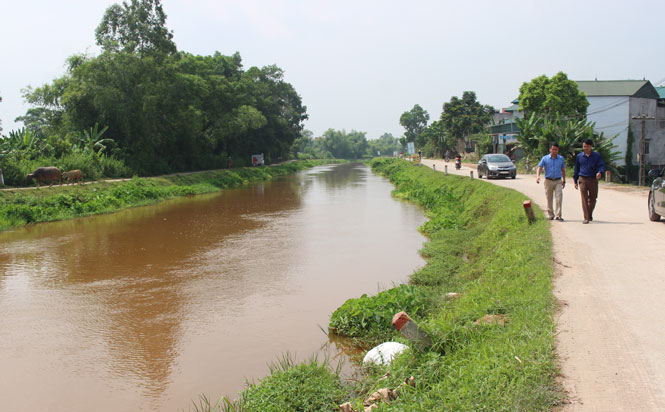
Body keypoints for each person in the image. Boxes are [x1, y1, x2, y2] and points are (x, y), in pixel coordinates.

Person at [574, 139, 605, 224]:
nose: (585, 148)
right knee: (584, 199)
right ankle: (586, 218)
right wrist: (575, 180)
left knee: (593, 199)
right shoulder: (579, 156)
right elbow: (576, 169)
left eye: (587, 146)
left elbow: (601, 166)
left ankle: (589, 213)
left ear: (591, 146)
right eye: (584, 146)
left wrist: (600, 172)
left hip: (593, 180)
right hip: (582, 179)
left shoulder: (597, 156)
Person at [536, 142, 566, 221]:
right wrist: (538, 177)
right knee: (549, 198)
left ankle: (558, 215)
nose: (554, 151)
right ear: (550, 149)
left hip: (558, 181)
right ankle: (550, 215)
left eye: (556, 149)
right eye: (553, 149)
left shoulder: (561, 159)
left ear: (558, 150)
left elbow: (563, 170)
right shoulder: (545, 158)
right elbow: (539, 167)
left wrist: (564, 180)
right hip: (548, 180)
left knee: (559, 197)